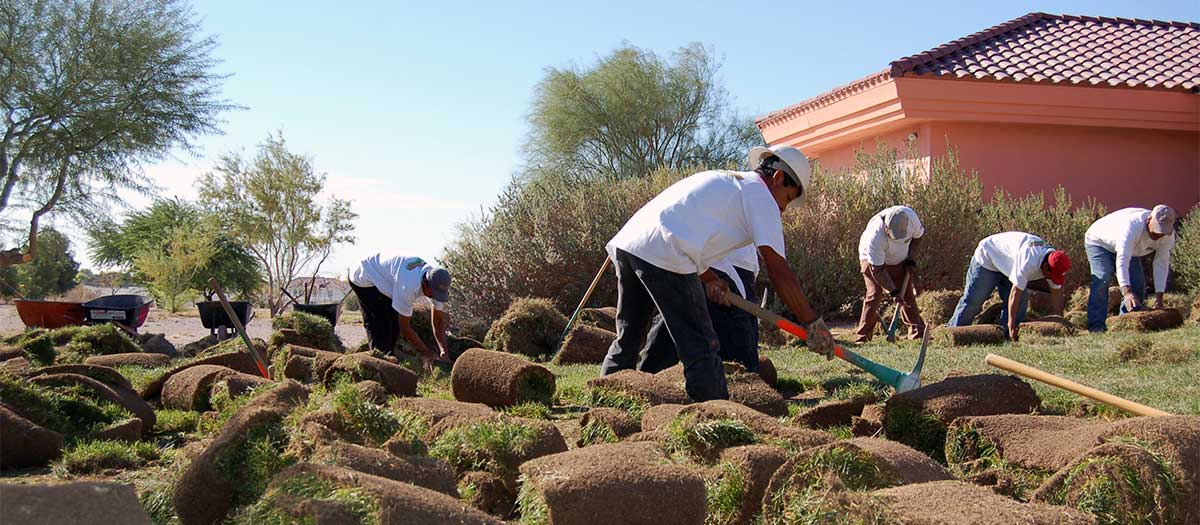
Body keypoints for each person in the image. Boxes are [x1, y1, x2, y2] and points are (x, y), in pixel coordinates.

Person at [600, 144, 835, 402]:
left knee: (629, 339)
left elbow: (684, 231)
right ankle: (716, 415)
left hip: (632, 244)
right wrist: (812, 323)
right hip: (666, 251)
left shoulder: (727, 182)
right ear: (778, 178)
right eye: (788, 198)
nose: (784, 209)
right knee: (701, 346)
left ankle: (604, 403)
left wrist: (710, 278)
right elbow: (779, 270)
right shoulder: (761, 195)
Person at [638, 245, 761, 374]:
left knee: (672, 320)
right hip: (726, 264)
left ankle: (647, 378)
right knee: (740, 363)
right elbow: (775, 264)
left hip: (690, 258)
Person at [947, 232, 1071, 341]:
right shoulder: (1028, 261)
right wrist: (1012, 324)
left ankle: (1005, 336)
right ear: (1045, 266)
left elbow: (1057, 293)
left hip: (1009, 263)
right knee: (974, 300)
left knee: (1022, 299)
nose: (1050, 278)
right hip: (988, 257)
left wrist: (1059, 320)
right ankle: (952, 333)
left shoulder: (1057, 263)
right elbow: (1014, 294)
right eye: (1051, 275)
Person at [1082, 205, 1177, 332]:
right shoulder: (1132, 227)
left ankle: (1124, 325)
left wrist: (1159, 298)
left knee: (1137, 283)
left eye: (1162, 232)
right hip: (1099, 242)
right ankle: (1096, 326)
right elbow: (1122, 260)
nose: (1158, 235)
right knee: (1103, 278)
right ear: (1149, 220)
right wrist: (1126, 292)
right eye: (1156, 230)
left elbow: (1161, 263)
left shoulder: (1168, 236)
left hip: (1131, 250)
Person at [349, 253, 452, 363]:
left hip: (388, 279)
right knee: (380, 325)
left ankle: (390, 357)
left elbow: (438, 321)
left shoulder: (436, 282)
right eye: (433, 294)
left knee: (393, 325)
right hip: (363, 276)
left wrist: (443, 351)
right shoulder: (408, 286)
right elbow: (405, 327)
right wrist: (428, 353)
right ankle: (377, 365)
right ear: (425, 283)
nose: (435, 297)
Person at [852, 205, 926, 343]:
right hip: (872, 262)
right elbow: (877, 270)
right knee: (875, 294)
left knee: (907, 295)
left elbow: (918, 238)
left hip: (900, 259)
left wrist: (911, 259)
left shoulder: (911, 218)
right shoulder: (875, 237)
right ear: (886, 228)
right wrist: (893, 292)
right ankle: (863, 337)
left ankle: (918, 333)